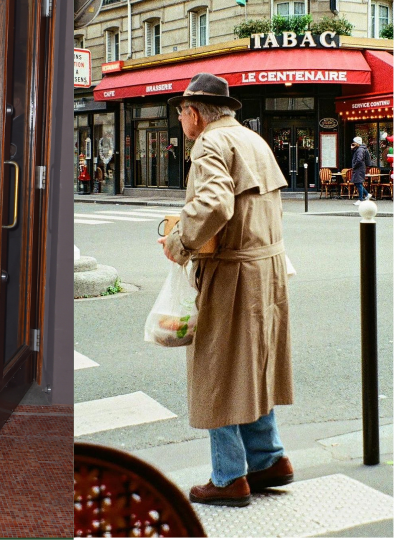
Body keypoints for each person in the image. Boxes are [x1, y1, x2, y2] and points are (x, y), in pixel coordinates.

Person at [156, 73, 293, 508]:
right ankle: (269, 459)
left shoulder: (210, 143)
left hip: (234, 270)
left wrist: (179, 243)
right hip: (264, 266)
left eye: (181, 112)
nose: (181, 119)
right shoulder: (252, 139)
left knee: (218, 369)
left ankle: (229, 476)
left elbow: (215, 203)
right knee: (253, 364)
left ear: (194, 113)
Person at [350, 136, 371, 205]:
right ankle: (367, 194)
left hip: (359, 168)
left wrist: (354, 166)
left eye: (354, 142)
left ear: (357, 143)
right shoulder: (360, 149)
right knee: (357, 183)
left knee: (358, 183)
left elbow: (359, 159)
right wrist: (352, 149)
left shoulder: (360, 150)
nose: (353, 143)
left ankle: (361, 199)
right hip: (360, 168)